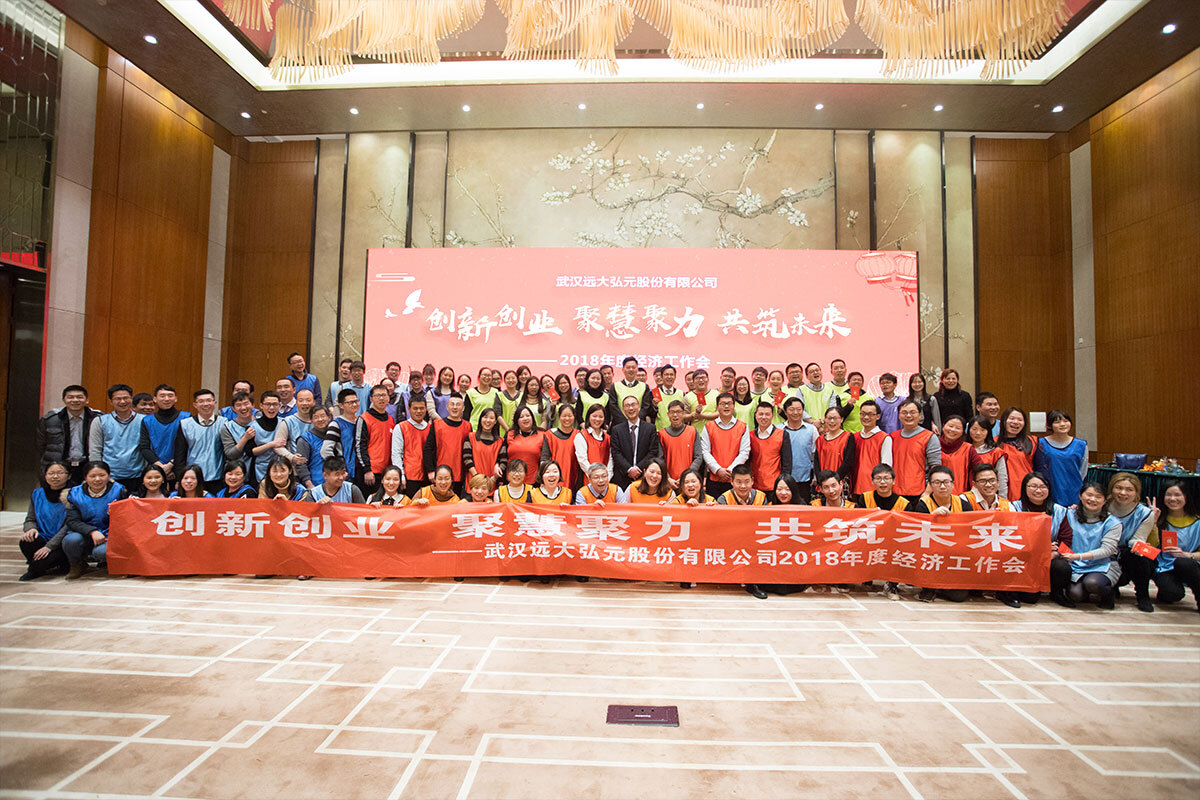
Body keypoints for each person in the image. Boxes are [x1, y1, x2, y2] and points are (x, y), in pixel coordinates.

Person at [44, 461, 126, 579]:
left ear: (108, 476)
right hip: (84, 533)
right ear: (85, 478)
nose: (97, 479)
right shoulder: (74, 493)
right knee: (71, 540)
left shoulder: (119, 490)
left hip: (111, 534)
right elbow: (72, 521)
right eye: (92, 476)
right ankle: (77, 565)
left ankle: (115, 563)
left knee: (101, 552)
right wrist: (92, 531)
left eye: (102, 475)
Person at [961, 463, 1023, 609]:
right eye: (983, 481)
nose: (988, 485)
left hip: (998, 549)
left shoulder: (1007, 505)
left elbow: (1016, 530)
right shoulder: (964, 499)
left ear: (998, 483)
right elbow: (961, 528)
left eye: (992, 480)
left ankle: (1005, 591)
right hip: (971, 548)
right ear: (974, 484)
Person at [911, 465, 971, 603]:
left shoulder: (963, 504)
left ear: (953, 484)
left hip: (955, 555)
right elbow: (918, 535)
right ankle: (929, 587)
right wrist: (932, 518)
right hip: (931, 554)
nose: (942, 486)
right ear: (931, 485)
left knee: (959, 596)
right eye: (937, 482)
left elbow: (970, 532)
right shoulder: (923, 504)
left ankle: (941, 588)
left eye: (946, 482)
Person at [1011, 471, 1072, 607]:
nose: (1038, 491)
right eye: (1033, 486)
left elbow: (1067, 539)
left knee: (1062, 567)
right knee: (1030, 599)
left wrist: (1052, 554)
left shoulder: (1060, 510)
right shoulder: (1014, 508)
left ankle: (1057, 593)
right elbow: (1013, 537)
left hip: (1051, 556)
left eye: (1043, 487)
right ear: (1024, 488)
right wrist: (1042, 549)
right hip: (1024, 557)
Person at [1059, 482, 1122, 609]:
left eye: (1098, 497)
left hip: (1102, 564)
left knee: (1093, 583)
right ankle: (1086, 590)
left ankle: (1108, 595)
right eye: (1089, 495)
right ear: (1080, 496)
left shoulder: (1113, 522)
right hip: (1075, 565)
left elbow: (1108, 550)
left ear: (1105, 500)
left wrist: (1078, 556)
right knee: (1075, 595)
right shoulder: (1068, 514)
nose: (1093, 499)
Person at [1106, 471, 1159, 613]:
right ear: (1111, 489)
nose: (1123, 493)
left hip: (1127, 552)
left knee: (1140, 557)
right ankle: (1112, 587)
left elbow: (1138, 539)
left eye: (1129, 490)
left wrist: (1138, 546)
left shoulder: (1145, 514)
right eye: (1118, 488)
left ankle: (1143, 596)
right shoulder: (1102, 506)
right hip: (1106, 552)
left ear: (1136, 493)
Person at [856, 464, 909, 601]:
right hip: (869, 540)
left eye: (886, 478)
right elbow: (857, 522)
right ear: (873, 481)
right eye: (878, 478)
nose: (883, 482)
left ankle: (891, 584)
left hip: (893, 542)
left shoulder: (904, 504)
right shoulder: (865, 498)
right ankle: (866, 577)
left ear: (894, 481)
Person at [1152, 481, 1200, 614]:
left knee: (1184, 563)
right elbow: (1149, 544)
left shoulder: (1197, 522)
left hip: (1189, 565)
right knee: (1172, 594)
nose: (1173, 499)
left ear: (1186, 496)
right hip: (1164, 566)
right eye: (1168, 495)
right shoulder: (1159, 518)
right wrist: (1153, 522)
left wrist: (1187, 555)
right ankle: (1167, 589)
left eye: (1177, 495)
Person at [88, 384, 145, 494]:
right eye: (118, 399)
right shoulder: (100, 421)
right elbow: (95, 450)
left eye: (126, 398)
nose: (122, 402)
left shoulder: (144, 420)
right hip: (110, 476)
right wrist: (98, 474)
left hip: (138, 475)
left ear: (131, 399)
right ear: (111, 402)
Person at [36, 384, 101, 482]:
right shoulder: (50, 420)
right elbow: (41, 445)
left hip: (88, 466)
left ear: (87, 400)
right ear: (64, 400)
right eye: (70, 397)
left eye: (79, 397)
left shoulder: (97, 419)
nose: (75, 400)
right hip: (60, 468)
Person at [18, 461, 71, 581]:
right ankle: (37, 567)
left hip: (62, 541)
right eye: (51, 473)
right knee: (27, 541)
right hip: (43, 537)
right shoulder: (37, 494)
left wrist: (49, 546)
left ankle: (37, 568)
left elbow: (69, 526)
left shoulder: (74, 494)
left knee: (44, 561)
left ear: (69, 476)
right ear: (45, 475)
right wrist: (31, 529)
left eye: (60, 473)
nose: (55, 476)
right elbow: (30, 519)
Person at [1033, 409, 1088, 507]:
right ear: (1049, 425)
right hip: (1050, 488)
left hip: (1073, 489)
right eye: (1057, 422)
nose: (1062, 424)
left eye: (1066, 421)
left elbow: (1083, 471)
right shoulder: (1040, 443)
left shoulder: (1081, 445)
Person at [699, 392, 749, 499]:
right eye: (722, 404)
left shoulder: (743, 427)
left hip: (735, 479)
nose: (726, 406)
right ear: (717, 407)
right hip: (714, 478)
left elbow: (744, 452)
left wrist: (730, 470)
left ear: (734, 406)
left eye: (729, 403)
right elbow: (705, 451)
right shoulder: (708, 427)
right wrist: (718, 470)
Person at [138, 384, 190, 486]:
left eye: (170, 396)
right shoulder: (147, 420)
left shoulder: (186, 418)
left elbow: (188, 446)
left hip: (180, 470)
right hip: (155, 470)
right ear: (155, 399)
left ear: (175, 399)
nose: (166, 399)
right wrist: (160, 468)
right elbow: (144, 447)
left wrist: (171, 465)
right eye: (162, 396)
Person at [177, 389, 226, 495]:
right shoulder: (185, 424)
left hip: (217, 478)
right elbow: (179, 455)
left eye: (209, 400)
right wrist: (179, 478)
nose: (205, 404)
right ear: (195, 404)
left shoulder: (224, 423)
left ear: (215, 402)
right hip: (192, 479)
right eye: (201, 401)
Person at [890, 400, 941, 501]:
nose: (908, 415)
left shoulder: (929, 437)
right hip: (895, 492)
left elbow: (936, 468)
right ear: (899, 415)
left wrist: (927, 492)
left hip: (920, 493)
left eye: (912, 412)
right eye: (904, 412)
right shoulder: (892, 437)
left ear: (920, 415)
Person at [612, 393, 662, 491]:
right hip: (622, 476)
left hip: (644, 476)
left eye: (633, 404)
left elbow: (652, 451)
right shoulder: (616, 430)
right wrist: (629, 469)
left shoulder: (650, 428)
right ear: (623, 410)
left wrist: (638, 468)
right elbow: (616, 452)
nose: (631, 408)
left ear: (639, 407)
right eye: (627, 405)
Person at [424, 393, 471, 494]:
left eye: (458, 404)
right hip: (440, 476)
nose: (455, 407)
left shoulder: (468, 427)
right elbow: (428, 449)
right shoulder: (437, 425)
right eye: (452, 404)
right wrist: (430, 470)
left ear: (463, 408)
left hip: (460, 475)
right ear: (447, 407)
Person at [324, 389, 366, 486]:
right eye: (350, 402)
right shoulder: (336, 424)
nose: (354, 405)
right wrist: (339, 469)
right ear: (341, 405)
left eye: (356, 401)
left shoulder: (362, 422)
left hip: (361, 472)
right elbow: (326, 450)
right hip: (345, 474)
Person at [357, 384, 396, 492]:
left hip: (386, 473)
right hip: (370, 473)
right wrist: (367, 470)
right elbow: (360, 446)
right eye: (378, 395)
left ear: (388, 398)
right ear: (371, 399)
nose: (381, 398)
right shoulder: (364, 419)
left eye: (384, 395)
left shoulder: (391, 420)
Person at [391, 395, 431, 497]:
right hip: (409, 477)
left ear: (426, 409)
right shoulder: (401, 427)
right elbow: (396, 454)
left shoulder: (431, 428)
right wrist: (401, 476)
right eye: (415, 408)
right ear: (409, 409)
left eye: (421, 408)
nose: (419, 411)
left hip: (428, 476)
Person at [850, 401, 892, 497]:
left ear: (878, 416)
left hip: (874, 490)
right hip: (855, 487)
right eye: (863, 414)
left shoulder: (884, 438)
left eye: (870, 414)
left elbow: (886, 466)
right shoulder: (854, 437)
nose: (866, 417)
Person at [658, 400, 702, 491]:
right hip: (669, 483)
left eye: (678, 412)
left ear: (683, 413)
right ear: (668, 414)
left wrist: (687, 476)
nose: (675, 415)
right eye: (672, 412)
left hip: (689, 482)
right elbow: (660, 459)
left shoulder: (692, 431)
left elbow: (698, 457)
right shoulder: (661, 434)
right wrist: (667, 478)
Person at [779, 397, 818, 501]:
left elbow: (816, 455)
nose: (795, 412)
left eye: (799, 409)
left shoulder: (811, 430)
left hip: (805, 479)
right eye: (791, 409)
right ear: (785, 412)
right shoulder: (778, 430)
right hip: (782, 480)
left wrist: (815, 476)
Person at [997, 406, 1038, 501]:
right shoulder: (994, 443)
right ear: (1003, 421)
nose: (1015, 422)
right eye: (1012, 418)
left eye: (1020, 420)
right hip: (1003, 491)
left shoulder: (1033, 441)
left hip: (1028, 489)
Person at [245, 391, 286, 486]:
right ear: (261, 406)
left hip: (281, 469)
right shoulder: (252, 427)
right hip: (259, 470)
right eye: (268, 404)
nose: (271, 408)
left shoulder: (284, 423)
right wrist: (272, 444)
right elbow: (250, 452)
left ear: (279, 406)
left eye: (275, 404)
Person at [541, 404, 582, 491]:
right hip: (554, 478)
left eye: (570, 416)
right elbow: (544, 458)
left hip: (575, 477)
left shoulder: (579, 435)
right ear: (559, 417)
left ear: (574, 417)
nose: (567, 419)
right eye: (564, 416)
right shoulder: (550, 435)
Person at [748, 402, 786, 497]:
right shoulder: (749, 435)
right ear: (756, 415)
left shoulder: (782, 434)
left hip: (775, 486)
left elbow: (787, 463)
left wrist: (783, 484)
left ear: (772, 416)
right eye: (761, 414)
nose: (764, 417)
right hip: (754, 486)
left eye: (767, 414)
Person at [966, 415, 1008, 499]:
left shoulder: (996, 452)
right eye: (974, 429)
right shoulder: (963, 450)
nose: (978, 433)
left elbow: (1002, 478)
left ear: (988, 431)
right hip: (966, 495)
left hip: (989, 496)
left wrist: (1002, 499)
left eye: (982, 430)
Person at [464, 408, 507, 487]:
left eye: (491, 418)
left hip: (493, 484)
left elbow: (503, 461)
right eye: (485, 417)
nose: (488, 420)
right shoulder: (470, 437)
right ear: (480, 419)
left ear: (495, 422)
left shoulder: (501, 441)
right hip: (473, 482)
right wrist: (477, 477)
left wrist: (492, 480)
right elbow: (467, 458)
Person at [505, 406, 546, 487]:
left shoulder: (542, 434)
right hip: (511, 480)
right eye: (521, 417)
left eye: (528, 416)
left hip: (534, 481)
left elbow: (546, 458)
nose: (525, 419)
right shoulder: (510, 434)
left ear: (532, 418)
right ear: (517, 420)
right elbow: (502, 456)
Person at [814, 406, 856, 485]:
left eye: (835, 418)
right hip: (823, 483)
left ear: (841, 419)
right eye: (829, 418)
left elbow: (848, 462)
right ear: (825, 419)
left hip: (841, 482)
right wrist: (821, 480)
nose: (832, 421)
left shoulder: (848, 437)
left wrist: (835, 480)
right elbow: (816, 462)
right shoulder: (820, 439)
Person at [606, 357, 653, 426]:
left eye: (633, 367)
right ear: (623, 369)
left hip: (639, 425)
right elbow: (613, 407)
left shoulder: (644, 387)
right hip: (619, 425)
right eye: (628, 367)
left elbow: (645, 407)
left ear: (637, 369)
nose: (631, 370)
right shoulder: (615, 386)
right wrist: (625, 423)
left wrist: (635, 421)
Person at [219, 391, 256, 476]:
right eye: (238, 405)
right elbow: (231, 454)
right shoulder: (227, 427)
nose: (243, 408)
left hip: (258, 471)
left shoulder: (260, 423)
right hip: (236, 473)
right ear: (234, 409)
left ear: (253, 405)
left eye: (246, 404)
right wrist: (245, 438)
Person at [295, 405, 331, 491]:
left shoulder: (335, 434)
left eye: (323, 416)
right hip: (315, 485)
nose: (320, 419)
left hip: (335, 483)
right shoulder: (305, 439)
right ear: (311, 420)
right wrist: (309, 484)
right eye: (316, 417)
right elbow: (301, 464)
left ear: (329, 417)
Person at [575, 404, 613, 480]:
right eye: (594, 416)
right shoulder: (581, 436)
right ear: (588, 417)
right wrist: (595, 477)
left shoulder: (608, 438)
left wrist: (606, 477)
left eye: (601, 417)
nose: (597, 419)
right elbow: (582, 460)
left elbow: (611, 460)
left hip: (605, 480)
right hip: (587, 478)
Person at [938, 416, 971, 494]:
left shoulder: (968, 448)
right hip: (935, 493)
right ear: (943, 426)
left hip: (960, 495)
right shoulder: (933, 445)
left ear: (963, 431)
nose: (953, 430)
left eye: (958, 428)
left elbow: (978, 469)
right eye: (950, 426)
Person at [682, 369, 718, 433]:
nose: (701, 380)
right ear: (693, 381)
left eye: (703, 378)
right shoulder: (687, 397)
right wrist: (692, 415)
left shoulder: (716, 394)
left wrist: (703, 416)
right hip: (695, 433)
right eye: (697, 378)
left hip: (714, 432)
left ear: (708, 380)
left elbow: (720, 413)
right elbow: (683, 416)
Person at [650, 364, 683, 431]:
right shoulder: (654, 393)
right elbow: (650, 415)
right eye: (666, 374)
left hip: (678, 431)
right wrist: (654, 407)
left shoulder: (681, 394)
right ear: (662, 377)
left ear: (675, 377)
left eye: (671, 375)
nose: (669, 377)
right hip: (660, 432)